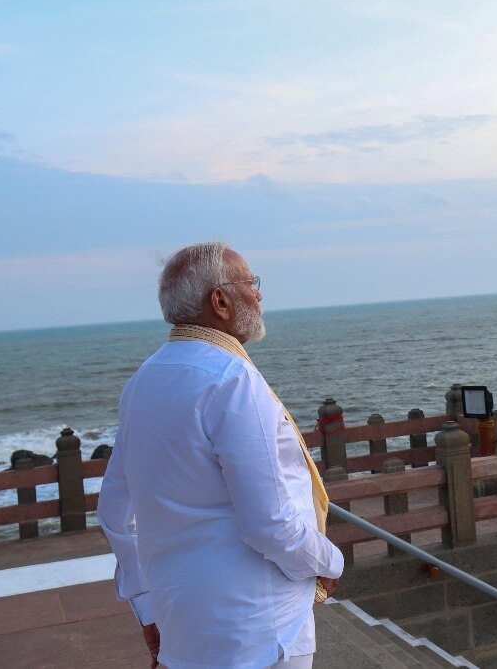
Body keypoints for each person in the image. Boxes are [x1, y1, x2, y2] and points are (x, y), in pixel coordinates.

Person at [98, 242, 344, 669]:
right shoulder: (232, 380)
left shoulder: (143, 381)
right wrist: (330, 560)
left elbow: (115, 512)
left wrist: (147, 606)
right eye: (252, 283)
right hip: (259, 629)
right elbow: (269, 524)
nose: (260, 295)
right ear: (221, 301)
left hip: (184, 623)